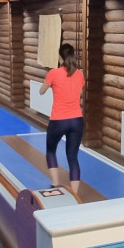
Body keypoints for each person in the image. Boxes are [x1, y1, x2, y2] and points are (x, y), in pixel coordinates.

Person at [40, 42, 85, 195]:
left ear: (60, 57)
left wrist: (51, 83)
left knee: (51, 150)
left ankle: (55, 183)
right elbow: (78, 93)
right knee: (73, 157)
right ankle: (75, 195)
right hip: (77, 120)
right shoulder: (79, 74)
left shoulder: (54, 73)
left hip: (58, 120)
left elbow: (41, 91)